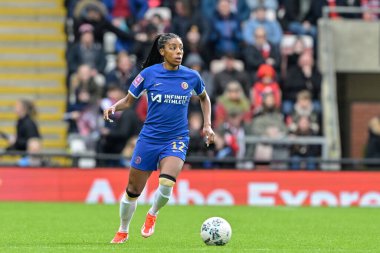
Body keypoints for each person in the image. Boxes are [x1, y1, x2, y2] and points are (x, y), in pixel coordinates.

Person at [103, 33, 215, 243]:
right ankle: (123, 229)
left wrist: (207, 125)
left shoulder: (192, 76)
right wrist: (113, 107)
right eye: (172, 48)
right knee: (133, 190)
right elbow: (128, 101)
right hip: (149, 139)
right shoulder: (148, 74)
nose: (178, 52)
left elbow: (204, 98)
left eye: (180, 48)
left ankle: (152, 214)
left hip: (176, 138)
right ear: (162, 51)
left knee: (166, 182)